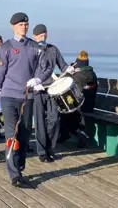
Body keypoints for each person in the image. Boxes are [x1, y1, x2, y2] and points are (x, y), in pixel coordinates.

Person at [0, 12, 44, 187]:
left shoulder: (35, 46)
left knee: (25, 133)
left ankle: (19, 167)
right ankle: (14, 173)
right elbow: (0, 73)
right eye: (21, 25)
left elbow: (42, 67)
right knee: (11, 135)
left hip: (27, 97)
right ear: (14, 26)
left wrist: (37, 79)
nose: (24, 27)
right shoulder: (6, 47)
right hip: (8, 96)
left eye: (26, 24)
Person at [32, 24, 75, 163]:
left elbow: (62, 66)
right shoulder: (30, 49)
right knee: (39, 121)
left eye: (44, 34)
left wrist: (69, 68)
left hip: (52, 89)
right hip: (37, 90)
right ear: (35, 36)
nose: (42, 36)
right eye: (39, 35)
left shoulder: (53, 49)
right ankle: (42, 152)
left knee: (54, 119)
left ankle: (50, 147)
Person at [59, 50, 98, 148]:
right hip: (90, 105)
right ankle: (66, 134)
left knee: (64, 111)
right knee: (67, 111)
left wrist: (70, 70)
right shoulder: (92, 74)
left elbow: (64, 80)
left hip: (80, 106)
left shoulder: (77, 76)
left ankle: (78, 135)